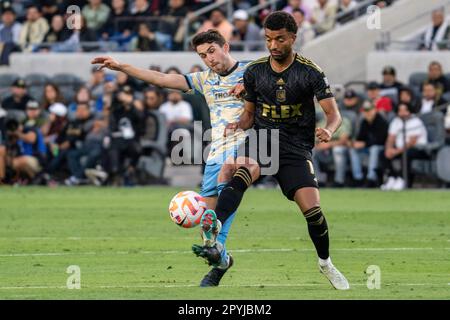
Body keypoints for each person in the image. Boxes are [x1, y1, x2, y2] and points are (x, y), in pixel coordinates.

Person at [193, 11, 349, 290]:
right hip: (263, 139)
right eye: (268, 39)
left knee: (312, 210)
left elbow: (333, 114)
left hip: (296, 147)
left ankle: (325, 262)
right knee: (242, 170)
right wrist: (237, 125)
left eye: (279, 39)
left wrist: (329, 129)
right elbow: (250, 115)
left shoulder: (310, 72)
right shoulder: (256, 71)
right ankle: (215, 227)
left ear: (292, 38)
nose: (273, 45)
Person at [91, 29, 248, 286]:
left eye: (212, 51)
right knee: (207, 223)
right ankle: (221, 261)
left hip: (249, 146)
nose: (209, 58)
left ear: (226, 46)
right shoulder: (203, 79)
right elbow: (162, 79)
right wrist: (122, 67)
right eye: (202, 55)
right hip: (217, 151)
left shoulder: (252, 72)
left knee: (225, 189)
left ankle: (217, 249)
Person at [380, 103, 428, 191]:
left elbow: (412, 142)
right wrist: (388, 149)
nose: (402, 113)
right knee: (382, 152)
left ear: (409, 111)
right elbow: (391, 138)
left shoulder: (416, 121)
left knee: (406, 154)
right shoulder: (395, 121)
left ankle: (402, 179)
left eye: (404, 110)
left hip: (418, 149)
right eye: (400, 110)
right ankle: (392, 177)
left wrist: (396, 151)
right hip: (400, 148)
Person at [349, 101, 388, 188]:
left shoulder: (381, 121)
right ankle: (358, 178)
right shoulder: (364, 122)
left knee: (374, 149)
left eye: (369, 110)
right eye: (365, 111)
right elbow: (360, 138)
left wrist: (364, 144)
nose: (367, 113)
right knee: (353, 150)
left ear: (375, 110)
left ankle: (371, 178)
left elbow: (381, 140)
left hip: (381, 148)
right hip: (368, 148)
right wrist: (354, 143)